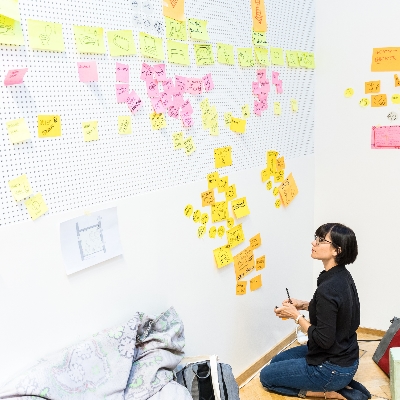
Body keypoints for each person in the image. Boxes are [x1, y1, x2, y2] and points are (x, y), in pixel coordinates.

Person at [260, 223, 371, 400]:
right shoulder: (340, 275)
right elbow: (335, 309)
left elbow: (323, 339)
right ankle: (344, 384)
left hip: (331, 368)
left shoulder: (329, 287)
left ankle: (329, 392)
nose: (314, 243)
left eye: (321, 240)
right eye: (316, 238)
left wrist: (296, 316)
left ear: (337, 250)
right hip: (346, 359)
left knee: (266, 377)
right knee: (276, 363)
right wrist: (303, 304)